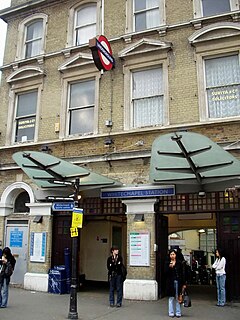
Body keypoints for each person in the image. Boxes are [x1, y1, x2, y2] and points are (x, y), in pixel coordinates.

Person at [164, 249, 186, 318]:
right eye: (171, 254)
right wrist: (170, 267)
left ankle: (178, 312)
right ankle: (171, 312)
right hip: (170, 282)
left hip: (178, 281)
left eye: (173, 254)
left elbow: (182, 273)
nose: (172, 256)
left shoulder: (179, 263)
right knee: (171, 297)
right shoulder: (167, 263)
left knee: (178, 297)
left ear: (176, 255)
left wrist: (184, 283)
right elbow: (165, 273)